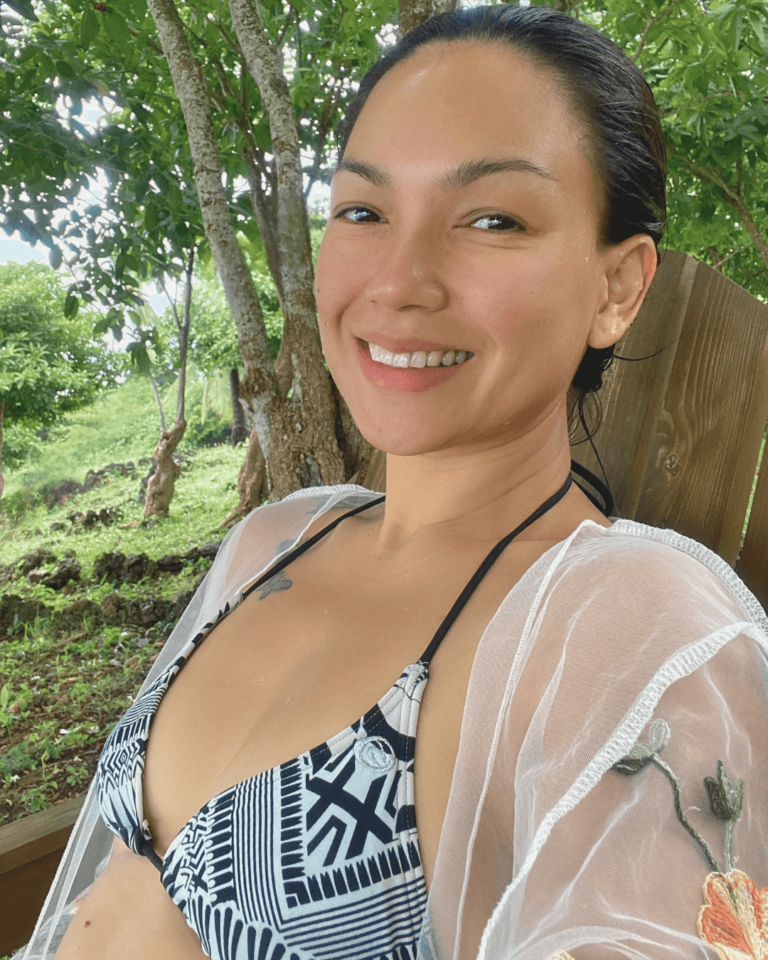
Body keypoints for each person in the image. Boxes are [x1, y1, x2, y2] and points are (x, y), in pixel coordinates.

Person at [21, 5, 767, 960]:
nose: (400, 281)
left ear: (618, 287)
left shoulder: (624, 624)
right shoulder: (277, 538)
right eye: (364, 212)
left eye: (491, 219)